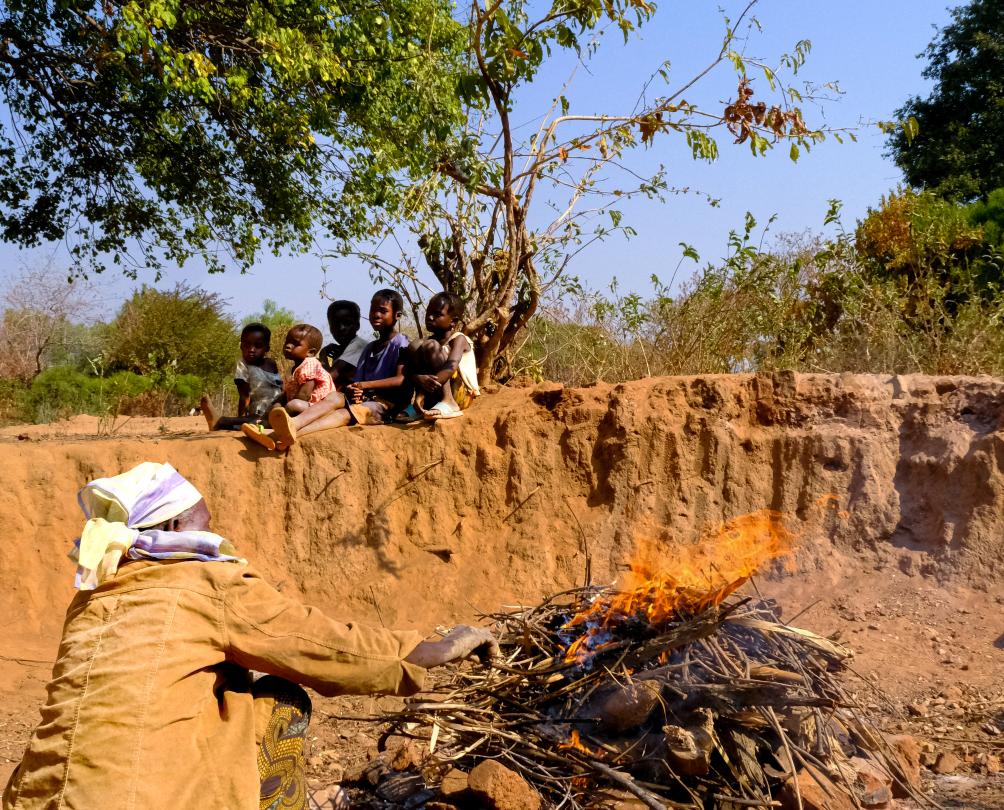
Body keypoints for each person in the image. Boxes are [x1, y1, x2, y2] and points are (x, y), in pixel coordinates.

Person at [2, 462, 498, 810]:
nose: (213, 531)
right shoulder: (206, 582)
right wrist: (438, 649)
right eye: (203, 521)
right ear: (175, 524)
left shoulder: (93, 593)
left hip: (35, 795)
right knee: (282, 699)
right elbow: (322, 647)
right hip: (141, 797)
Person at [243, 290, 410, 451]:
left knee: (344, 413)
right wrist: (357, 391)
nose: (376, 315)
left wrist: (364, 385)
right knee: (334, 396)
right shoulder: (370, 348)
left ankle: (283, 434)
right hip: (366, 399)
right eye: (373, 310)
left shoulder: (400, 343)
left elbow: (401, 379)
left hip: (387, 405)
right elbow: (359, 381)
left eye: (382, 311)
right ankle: (293, 424)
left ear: (397, 315)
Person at [400, 292, 480, 421]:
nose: (429, 317)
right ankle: (422, 407)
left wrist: (421, 394)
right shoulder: (425, 343)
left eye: (437, 314)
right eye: (428, 312)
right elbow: (409, 372)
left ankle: (448, 401)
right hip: (433, 395)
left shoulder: (459, 339)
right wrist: (419, 378)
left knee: (430, 345)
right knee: (415, 345)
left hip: (460, 395)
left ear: (453, 321)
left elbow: (450, 368)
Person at [200, 322, 283, 431]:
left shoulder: (272, 364)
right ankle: (221, 422)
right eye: (247, 345)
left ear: (267, 348)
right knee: (255, 421)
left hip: (279, 410)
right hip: (259, 413)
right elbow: (244, 395)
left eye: (257, 346)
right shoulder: (243, 364)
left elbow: (280, 388)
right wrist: (242, 417)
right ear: (241, 346)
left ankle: (227, 423)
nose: (251, 349)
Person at [318, 300, 370, 389]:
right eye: (335, 324)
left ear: (357, 325)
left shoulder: (358, 346)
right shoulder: (343, 349)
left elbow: (327, 379)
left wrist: (323, 357)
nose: (341, 328)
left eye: (347, 323)